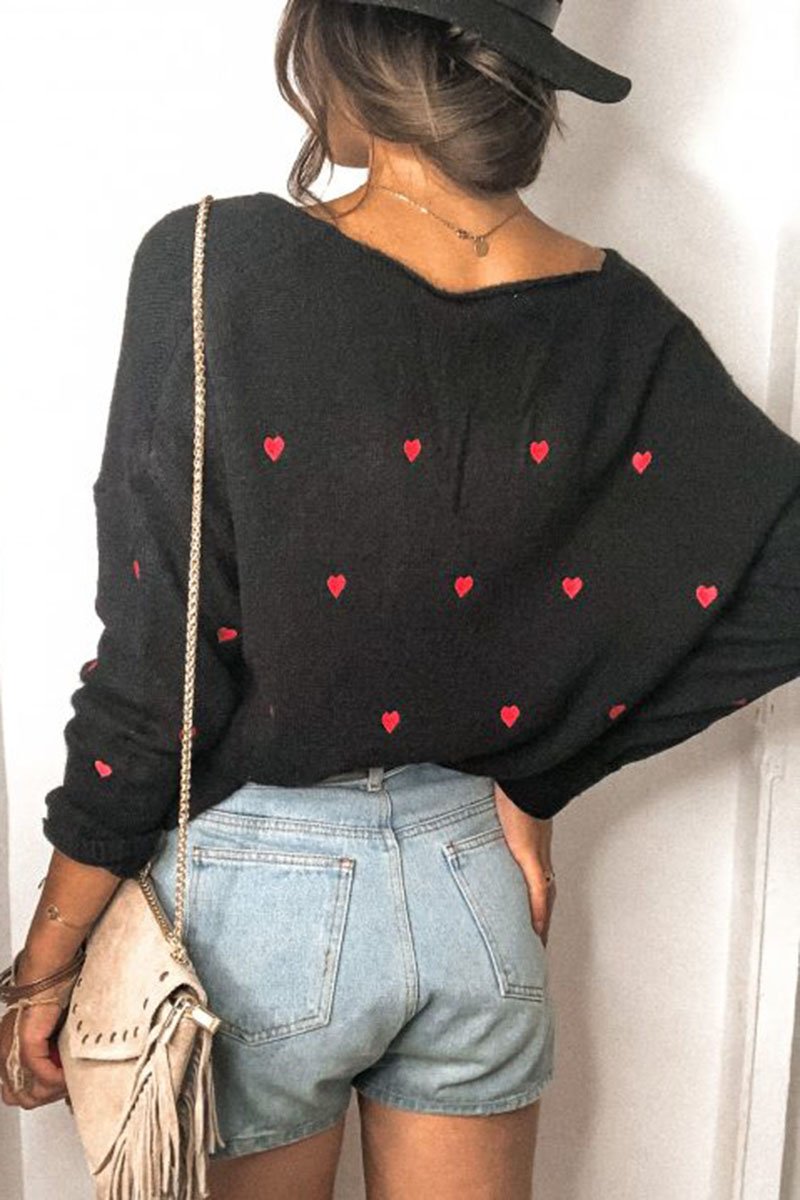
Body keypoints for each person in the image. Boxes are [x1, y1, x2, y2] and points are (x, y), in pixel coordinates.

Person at [3, 2, 799, 1198]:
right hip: (474, 887)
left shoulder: (212, 261)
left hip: (254, 910)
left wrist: (47, 957)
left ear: (343, 45)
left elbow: (155, 675)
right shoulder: (617, 312)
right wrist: (538, 768)